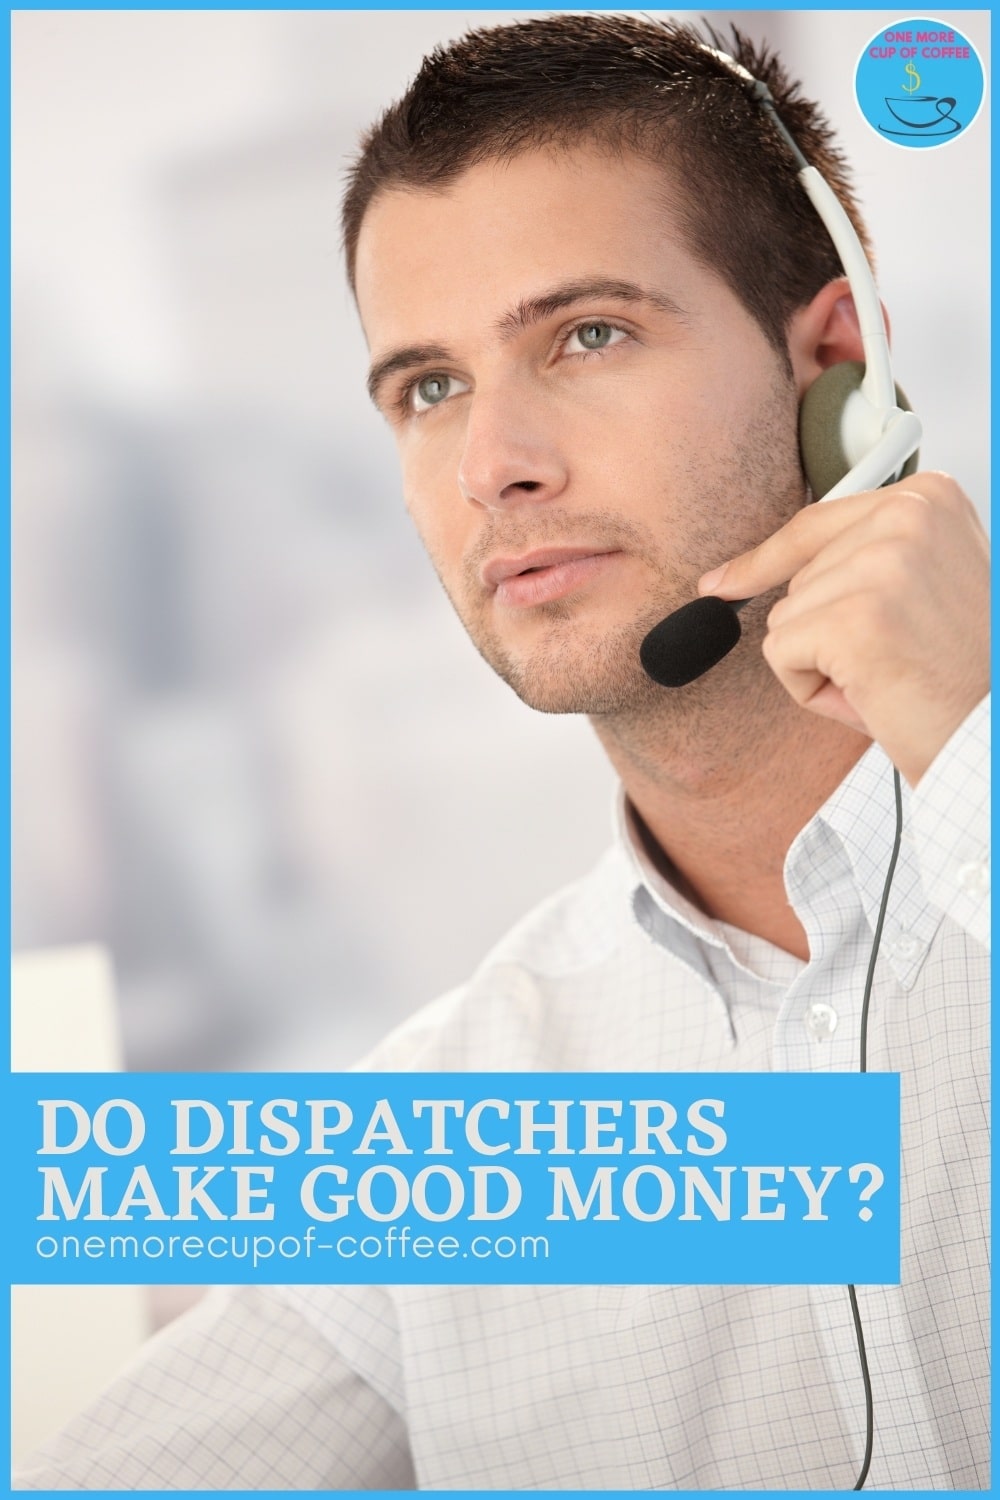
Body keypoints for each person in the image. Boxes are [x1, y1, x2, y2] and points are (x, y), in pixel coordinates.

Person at [15, 14, 988, 1492]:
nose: (494, 466)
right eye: (429, 387)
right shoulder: (454, 1122)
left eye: (586, 336)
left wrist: (970, 750)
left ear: (836, 365)